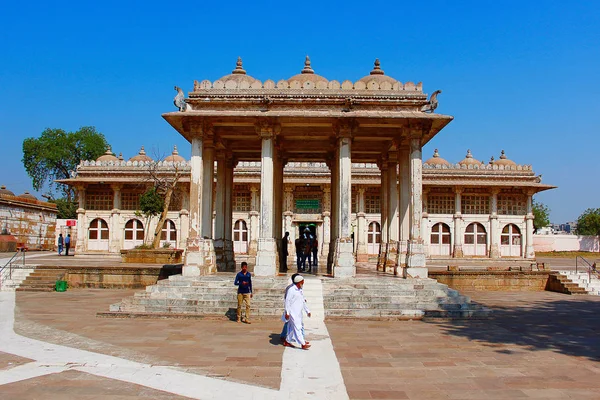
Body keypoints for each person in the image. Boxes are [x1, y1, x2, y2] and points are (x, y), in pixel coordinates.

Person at [283, 275, 311, 350]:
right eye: (302, 281)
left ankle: (287, 341)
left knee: (292, 328)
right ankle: (303, 344)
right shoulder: (291, 290)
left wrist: (307, 311)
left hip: (298, 312)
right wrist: (287, 312)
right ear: (299, 282)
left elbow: (303, 301)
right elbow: (287, 302)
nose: (303, 282)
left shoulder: (300, 290)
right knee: (297, 328)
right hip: (292, 313)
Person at [280, 273, 299, 341]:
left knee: (296, 323)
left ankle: (297, 337)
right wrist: (287, 312)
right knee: (288, 322)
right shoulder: (290, 288)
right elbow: (287, 300)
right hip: (291, 308)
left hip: (295, 308)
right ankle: (283, 335)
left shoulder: (297, 287)